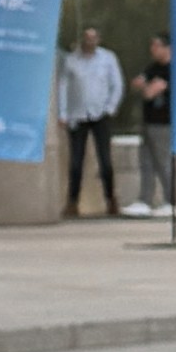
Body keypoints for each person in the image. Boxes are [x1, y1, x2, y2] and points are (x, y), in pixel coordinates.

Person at [55, 21, 126, 216]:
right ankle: (72, 201)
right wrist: (63, 113)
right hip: (78, 114)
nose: (90, 42)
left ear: (98, 40)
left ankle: (111, 200)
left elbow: (117, 84)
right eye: (87, 39)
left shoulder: (107, 58)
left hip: (99, 114)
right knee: (76, 162)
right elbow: (63, 88)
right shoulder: (71, 60)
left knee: (105, 161)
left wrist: (111, 107)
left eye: (93, 38)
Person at [137, 24, 176, 215]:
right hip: (148, 120)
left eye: (156, 45)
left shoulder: (172, 70)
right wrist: (147, 86)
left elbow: (149, 92)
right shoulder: (153, 68)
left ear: (167, 47)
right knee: (146, 162)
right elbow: (139, 83)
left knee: (163, 162)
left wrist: (148, 87)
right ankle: (145, 200)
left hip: (163, 123)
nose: (153, 49)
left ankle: (171, 201)